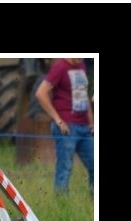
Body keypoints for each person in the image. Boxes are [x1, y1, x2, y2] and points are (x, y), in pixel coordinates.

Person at [35, 58, 94, 194]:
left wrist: (91, 122)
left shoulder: (81, 65)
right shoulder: (60, 66)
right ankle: (62, 203)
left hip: (84, 127)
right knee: (65, 167)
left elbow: (83, 95)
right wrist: (58, 120)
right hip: (67, 127)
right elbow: (41, 93)